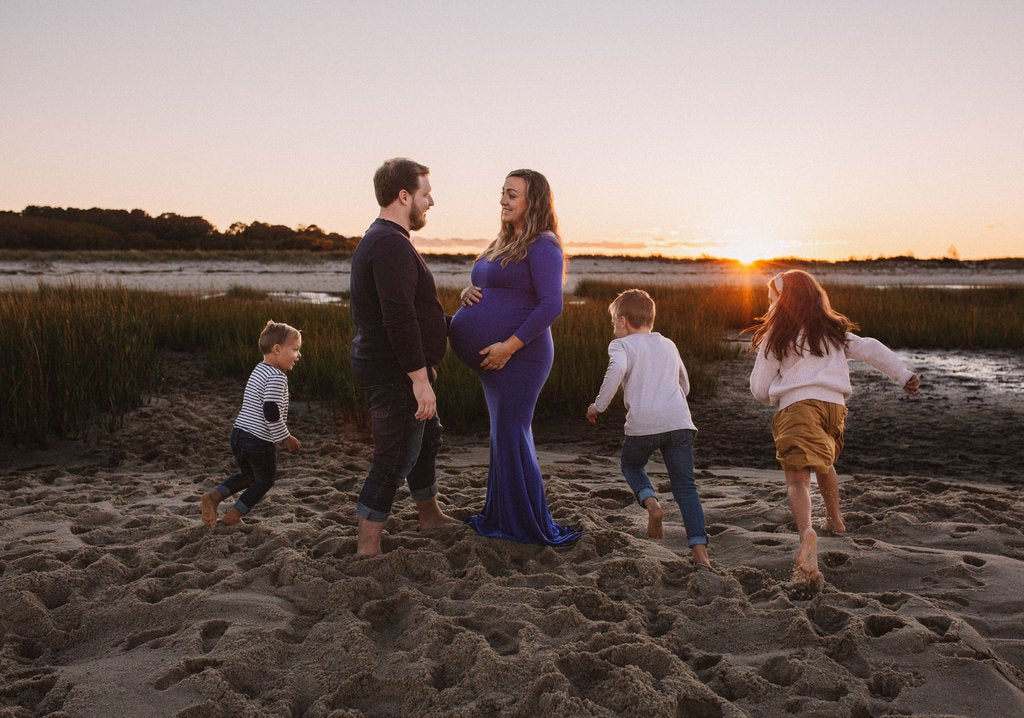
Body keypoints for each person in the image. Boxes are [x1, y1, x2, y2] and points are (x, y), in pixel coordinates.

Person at [747, 269, 920, 583]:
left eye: (772, 296)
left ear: (782, 301)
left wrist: (773, 395)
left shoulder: (777, 333)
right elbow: (871, 349)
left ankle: (807, 534)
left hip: (799, 406)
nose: (770, 302)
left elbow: (760, 387)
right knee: (825, 462)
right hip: (834, 408)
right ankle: (835, 519)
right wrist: (903, 375)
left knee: (798, 479)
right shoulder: (833, 329)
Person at [449, 169, 580, 545]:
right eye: (503, 193)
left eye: (512, 195)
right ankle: (505, 514)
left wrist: (509, 345)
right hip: (496, 362)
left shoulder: (543, 244)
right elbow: (488, 284)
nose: (504, 201)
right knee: (503, 435)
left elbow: (551, 305)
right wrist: (466, 295)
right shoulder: (505, 240)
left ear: (533, 201)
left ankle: (523, 523)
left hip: (522, 357)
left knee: (511, 432)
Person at [348, 157, 460, 556]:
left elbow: (415, 311)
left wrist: (462, 316)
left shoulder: (387, 241)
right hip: (395, 373)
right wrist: (418, 380)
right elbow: (397, 316)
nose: (431, 201)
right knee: (394, 458)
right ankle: (368, 546)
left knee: (427, 441)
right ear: (403, 196)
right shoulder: (389, 245)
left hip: (401, 370)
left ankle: (429, 516)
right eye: (425, 194)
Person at [586, 289, 711, 566]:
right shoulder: (668, 343)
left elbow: (615, 372)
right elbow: (685, 384)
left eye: (613, 323)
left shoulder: (621, 346)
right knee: (685, 487)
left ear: (622, 321)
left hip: (643, 424)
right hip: (679, 422)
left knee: (631, 466)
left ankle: (652, 506)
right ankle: (700, 552)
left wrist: (598, 406)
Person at [201, 320, 303, 526]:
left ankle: (214, 497)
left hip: (239, 434)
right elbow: (271, 412)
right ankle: (234, 515)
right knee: (265, 480)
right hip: (257, 439)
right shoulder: (277, 377)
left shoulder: (259, 369)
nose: (298, 355)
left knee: (249, 475)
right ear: (277, 349)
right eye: (295, 349)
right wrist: (285, 438)